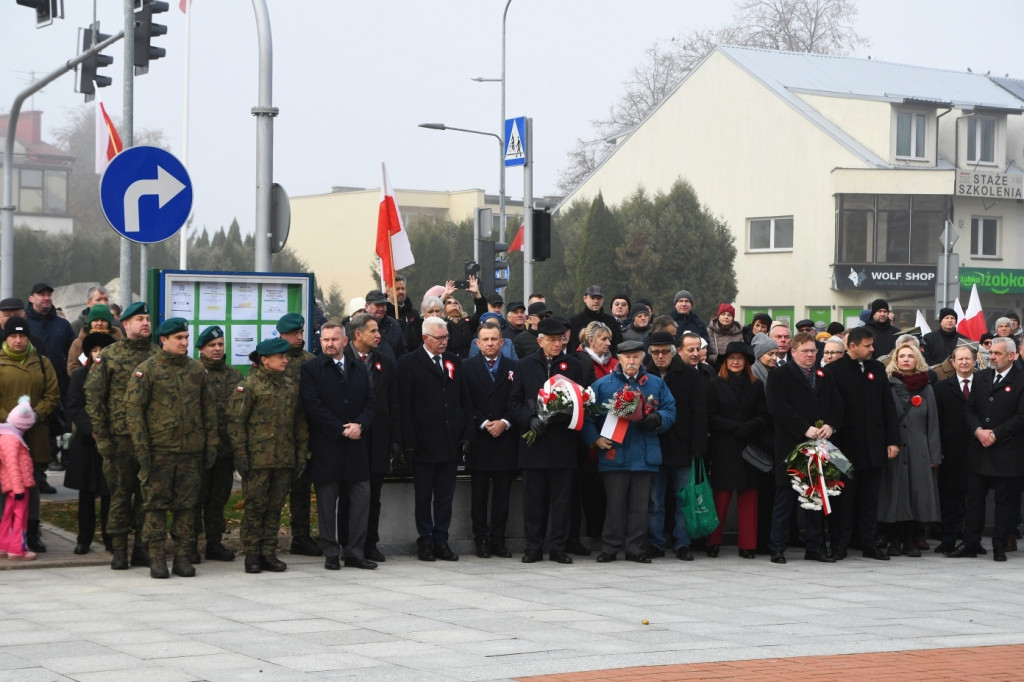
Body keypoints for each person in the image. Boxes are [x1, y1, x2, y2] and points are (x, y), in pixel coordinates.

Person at [124, 318, 218, 579]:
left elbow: (209, 411)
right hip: (159, 452)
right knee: (155, 506)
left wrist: (211, 444)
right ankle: (156, 557)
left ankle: (182, 558)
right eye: (179, 338)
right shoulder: (147, 370)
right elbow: (134, 413)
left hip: (190, 453)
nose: (185, 342)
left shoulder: (196, 370)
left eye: (187, 337)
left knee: (186, 507)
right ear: (163, 340)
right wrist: (142, 451)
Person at [582, 340, 675, 563]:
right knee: (614, 505)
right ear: (619, 358)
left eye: (636, 356)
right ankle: (610, 547)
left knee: (641, 506)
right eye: (627, 357)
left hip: (644, 454)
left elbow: (671, 410)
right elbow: (587, 417)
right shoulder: (603, 385)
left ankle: (635, 548)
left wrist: (657, 418)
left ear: (643, 358)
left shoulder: (654, 383)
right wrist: (595, 440)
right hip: (615, 453)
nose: (631, 361)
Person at [85, 302, 158, 569]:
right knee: (120, 496)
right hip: (120, 440)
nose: (146, 323)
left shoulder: (156, 354)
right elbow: (93, 397)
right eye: (140, 319)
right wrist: (102, 436)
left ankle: (142, 548)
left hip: (151, 440)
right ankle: (118, 550)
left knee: (147, 498)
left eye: (148, 319)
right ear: (125, 324)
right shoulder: (110, 356)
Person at [300, 322, 377, 571]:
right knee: (326, 504)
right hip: (327, 446)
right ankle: (331, 552)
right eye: (325, 340)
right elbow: (313, 406)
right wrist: (340, 428)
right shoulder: (311, 369)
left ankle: (354, 552)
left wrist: (360, 425)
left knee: (360, 501)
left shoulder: (358, 367)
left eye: (334, 339)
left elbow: (370, 401)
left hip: (356, 446)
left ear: (345, 341)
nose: (329, 344)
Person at [508, 317, 585, 564]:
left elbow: (583, 400)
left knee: (562, 501)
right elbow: (513, 403)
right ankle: (533, 546)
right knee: (534, 500)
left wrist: (566, 413)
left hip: (563, 443)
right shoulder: (524, 365)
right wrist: (530, 419)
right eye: (551, 340)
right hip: (534, 445)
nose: (556, 344)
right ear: (539, 340)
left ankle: (559, 547)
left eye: (560, 339)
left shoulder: (574, 365)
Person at [229, 338, 309, 574]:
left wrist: (302, 454)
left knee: (275, 507)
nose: (285, 360)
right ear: (265, 360)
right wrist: (241, 456)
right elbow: (236, 423)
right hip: (258, 459)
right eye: (280, 357)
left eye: (285, 356)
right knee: (255, 507)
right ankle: (252, 553)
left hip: (284, 458)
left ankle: (268, 552)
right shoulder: (249, 386)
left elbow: (300, 424)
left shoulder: (291, 386)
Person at [398, 316, 473, 562]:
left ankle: (442, 540)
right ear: (425, 338)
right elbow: (405, 407)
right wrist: (408, 443)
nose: (444, 342)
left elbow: (464, 399)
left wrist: (465, 433)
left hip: (450, 442)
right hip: (423, 444)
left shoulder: (454, 362)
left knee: (444, 497)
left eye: (446, 338)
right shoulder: (409, 363)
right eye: (439, 338)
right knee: (423, 497)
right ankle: (425, 541)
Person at [766, 332, 843, 564]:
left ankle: (814, 547)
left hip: (819, 445)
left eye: (813, 351)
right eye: (806, 351)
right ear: (794, 352)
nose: (811, 355)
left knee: (816, 498)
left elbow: (837, 403)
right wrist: (804, 429)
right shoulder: (779, 375)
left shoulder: (824, 374)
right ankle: (777, 547)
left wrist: (831, 425)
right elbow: (778, 407)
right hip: (791, 446)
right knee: (785, 499)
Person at [825, 326, 899, 561]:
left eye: (872, 345)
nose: (872, 349)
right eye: (867, 346)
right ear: (852, 346)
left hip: (874, 446)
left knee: (870, 499)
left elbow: (888, 406)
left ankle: (869, 542)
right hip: (844, 448)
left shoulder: (877, 368)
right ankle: (840, 544)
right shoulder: (834, 371)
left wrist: (893, 440)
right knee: (844, 501)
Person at [948, 337, 1024, 562]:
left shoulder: (1021, 380)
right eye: (990, 353)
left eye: (997, 354)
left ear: (1011, 355)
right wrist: (979, 431)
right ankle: (971, 543)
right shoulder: (981, 377)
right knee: (974, 499)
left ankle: (999, 545)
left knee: (1003, 501)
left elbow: (1021, 416)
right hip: (979, 449)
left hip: (1006, 451)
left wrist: (996, 434)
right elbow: (969, 410)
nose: (991, 357)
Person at [0, 315, 60, 555]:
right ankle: (5, 533)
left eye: (22, 336)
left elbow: (52, 395)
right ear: (6, 338)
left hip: (35, 434)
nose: (18, 340)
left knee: (31, 482)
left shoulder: (43, 363)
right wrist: (9, 418)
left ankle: (31, 531)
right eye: (13, 336)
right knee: (5, 483)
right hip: (4, 435)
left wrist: (34, 416)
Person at [645, 331, 707, 561]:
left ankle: (682, 543)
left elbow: (699, 413)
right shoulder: (645, 374)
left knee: (684, 500)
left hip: (683, 447)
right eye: (655, 352)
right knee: (654, 501)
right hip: (653, 448)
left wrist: (698, 447)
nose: (660, 356)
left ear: (673, 352)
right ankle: (656, 543)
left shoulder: (690, 375)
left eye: (664, 352)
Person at [343, 312, 400, 562]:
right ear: (358, 335)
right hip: (350, 438)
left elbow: (393, 402)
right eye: (373, 331)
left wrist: (396, 439)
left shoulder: (385, 362)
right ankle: (346, 543)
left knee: (374, 496)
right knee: (349, 495)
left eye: (379, 331)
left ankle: (370, 543)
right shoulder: (342, 360)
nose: (379, 335)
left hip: (378, 438)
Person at [706, 342, 769, 559]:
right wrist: (735, 428)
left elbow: (763, 415)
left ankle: (747, 545)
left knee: (748, 498)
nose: (735, 362)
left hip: (749, 448)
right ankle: (713, 542)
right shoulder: (715, 385)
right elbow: (711, 416)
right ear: (725, 362)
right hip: (724, 448)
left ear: (746, 362)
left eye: (739, 358)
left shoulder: (756, 385)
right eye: (731, 358)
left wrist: (748, 428)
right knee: (721, 498)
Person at [462, 320, 519, 559]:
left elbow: (517, 399)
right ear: (478, 342)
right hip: (480, 439)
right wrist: (484, 423)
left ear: (502, 342)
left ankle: (498, 540)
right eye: (485, 339)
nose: (490, 343)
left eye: (494, 339)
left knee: (503, 495)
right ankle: (481, 540)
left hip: (505, 438)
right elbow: (464, 402)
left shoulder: (514, 367)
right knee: (479, 495)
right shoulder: (466, 367)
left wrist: (505, 422)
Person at [880, 342, 941, 557]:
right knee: (894, 494)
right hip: (894, 448)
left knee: (917, 494)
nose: (905, 359)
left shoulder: (926, 387)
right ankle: (894, 539)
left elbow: (933, 422)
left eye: (910, 356)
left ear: (918, 359)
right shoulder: (887, 385)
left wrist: (934, 453)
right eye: (901, 356)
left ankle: (911, 539)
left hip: (919, 448)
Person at [193, 326, 243, 563]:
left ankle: (214, 543)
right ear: (201, 348)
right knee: (194, 499)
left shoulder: (234, 376)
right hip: (198, 451)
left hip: (224, 451)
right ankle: (190, 544)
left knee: (217, 500)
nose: (217, 349)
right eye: (212, 345)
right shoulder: (192, 373)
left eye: (221, 344)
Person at [64, 331, 116, 554]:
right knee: (85, 494)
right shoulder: (79, 376)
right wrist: (92, 429)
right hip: (86, 442)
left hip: (111, 440)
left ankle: (110, 537)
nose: (98, 354)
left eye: (102, 350)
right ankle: (83, 538)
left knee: (109, 492)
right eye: (94, 350)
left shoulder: (116, 376)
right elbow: (74, 406)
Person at [569, 321, 617, 554]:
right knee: (585, 488)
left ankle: (604, 534)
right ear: (590, 341)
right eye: (604, 339)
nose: (609, 343)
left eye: (609, 339)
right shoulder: (578, 361)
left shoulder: (614, 363)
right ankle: (587, 534)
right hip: (588, 436)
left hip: (613, 433)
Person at [276, 312, 320, 558]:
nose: (298, 337)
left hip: (307, 433)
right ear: (282, 334)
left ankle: (301, 536)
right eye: (294, 333)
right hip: (281, 435)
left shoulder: (310, 360)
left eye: (301, 332)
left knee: (303, 488)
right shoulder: (272, 359)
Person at [932, 345, 976, 554]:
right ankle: (948, 538)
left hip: (978, 450)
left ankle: (971, 540)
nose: (964, 362)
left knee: (974, 497)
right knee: (948, 497)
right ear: (953, 361)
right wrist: (938, 447)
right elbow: (936, 421)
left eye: (968, 359)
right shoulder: (941, 388)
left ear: (974, 361)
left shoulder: (983, 386)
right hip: (950, 450)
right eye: (960, 359)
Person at [0, 396, 39, 561]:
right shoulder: (11, 439)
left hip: (13, 486)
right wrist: (18, 489)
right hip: (18, 486)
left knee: (8, 515)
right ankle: (17, 549)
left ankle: (4, 544)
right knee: (19, 517)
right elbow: (12, 466)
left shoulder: (7, 436)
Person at [23, 282, 75, 395]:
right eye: (42, 295)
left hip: (59, 385)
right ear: (31, 298)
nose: (46, 298)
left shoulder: (63, 325)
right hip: (28, 386)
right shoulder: (23, 324)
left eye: (49, 295)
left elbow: (74, 351)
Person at [66, 303, 121, 377]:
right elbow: (72, 367)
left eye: (103, 320)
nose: (99, 323)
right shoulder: (78, 343)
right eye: (95, 320)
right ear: (90, 323)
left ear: (109, 323)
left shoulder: (119, 342)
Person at [569, 285, 623, 353]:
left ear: (603, 300)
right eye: (592, 298)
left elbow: (617, 343)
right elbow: (573, 345)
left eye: (599, 298)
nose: (596, 301)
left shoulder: (610, 321)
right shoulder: (575, 321)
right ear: (585, 299)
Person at [365, 289, 407, 360]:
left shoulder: (394, 325)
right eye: (377, 305)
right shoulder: (360, 326)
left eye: (383, 305)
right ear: (367, 307)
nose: (381, 309)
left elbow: (402, 350)